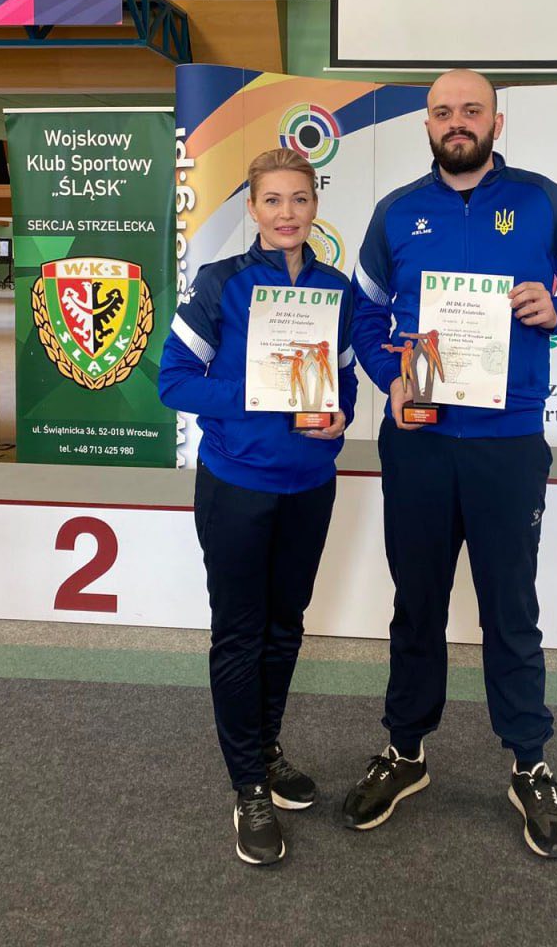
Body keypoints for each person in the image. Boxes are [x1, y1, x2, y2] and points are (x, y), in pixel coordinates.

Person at [342, 69, 557, 859]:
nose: (456, 122)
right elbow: (363, 314)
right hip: (420, 441)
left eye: (471, 110)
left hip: (507, 443)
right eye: (442, 111)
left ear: (498, 121)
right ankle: (405, 750)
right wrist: (389, 376)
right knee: (416, 603)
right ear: (426, 124)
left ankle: (529, 762)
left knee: (510, 608)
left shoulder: (542, 201)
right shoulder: (396, 212)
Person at [158, 147, 356, 867]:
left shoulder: (335, 290)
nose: (286, 213)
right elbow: (174, 382)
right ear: (251, 208)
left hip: (309, 486)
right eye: (272, 200)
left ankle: (267, 750)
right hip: (237, 486)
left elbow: (344, 382)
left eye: (298, 199)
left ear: (315, 205)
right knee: (240, 636)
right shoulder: (221, 283)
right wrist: (253, 388)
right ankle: (247, 786)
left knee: (285, 628)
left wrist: (339, 419)